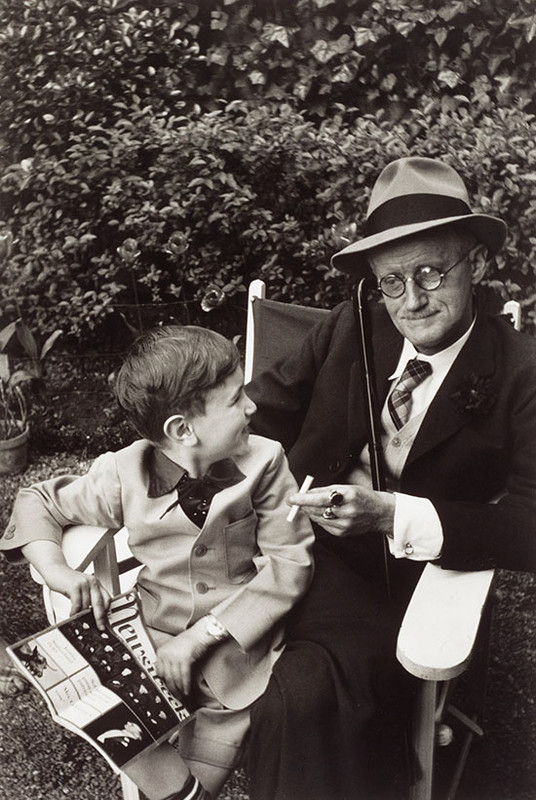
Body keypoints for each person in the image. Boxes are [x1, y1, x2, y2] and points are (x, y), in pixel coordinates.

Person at [245, 156, 536, 800]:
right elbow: (261, 410)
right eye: (393, 281)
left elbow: (529, 525)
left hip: (402, 582)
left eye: (432, 272)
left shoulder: (521, 370)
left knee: (301, 700)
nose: (412, 301)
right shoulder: (355, 323)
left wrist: (391, 516)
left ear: (477, 264)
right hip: (285, 549)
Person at [0, 325, 314, 800]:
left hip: (233, 651)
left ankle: (181, 784)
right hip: (147, 638)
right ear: (181, 430)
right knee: (94, 698)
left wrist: (199, 637)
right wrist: (58, 572)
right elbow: (37, 501)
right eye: (235, 400)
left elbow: (290, 563)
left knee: (203, 756)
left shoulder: (265, 461)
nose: (252, 406)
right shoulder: (124, 471)